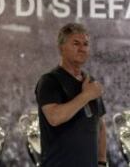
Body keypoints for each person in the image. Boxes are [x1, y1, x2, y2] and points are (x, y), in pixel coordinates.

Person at [35, 23, 107, 167]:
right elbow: (55, 117)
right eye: (76, 43)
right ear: (61, 48)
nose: (82, 48)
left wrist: (102, 161)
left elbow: (100, 125)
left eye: (86, 44)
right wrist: (87, 95)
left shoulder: (90, 82)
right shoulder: (50, 81)